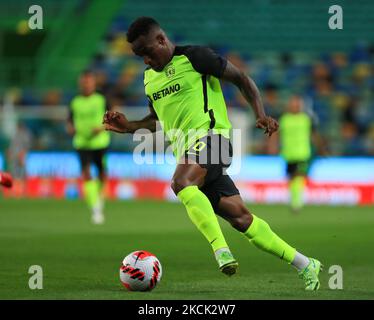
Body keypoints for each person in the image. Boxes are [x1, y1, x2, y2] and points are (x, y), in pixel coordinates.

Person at [103, 17, 322, 290]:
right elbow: (157, 119)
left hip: (214, 140)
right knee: (241, 218)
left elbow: (241, 79)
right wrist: (130, 127)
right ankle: (305, 263)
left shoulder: (196, 57)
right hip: (190, 152)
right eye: (140, 57)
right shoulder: (149, 79)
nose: (146, 60)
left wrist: (261, 114)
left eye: (147, 52)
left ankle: (221, 251)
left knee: (180, 183)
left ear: (161, 40)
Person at [67, 70, 110, 224]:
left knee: (102, 174)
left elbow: (112, 117)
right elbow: (70, 120)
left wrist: (102, 126)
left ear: (93, 83)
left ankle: (99, 198)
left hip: (100, 142)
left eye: (89, 82)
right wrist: (70, 128)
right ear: (80, 83)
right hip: (82, 143)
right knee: (86, 173)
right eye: (84, 82)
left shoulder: (101, 99)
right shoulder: (75, 102)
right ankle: (95, 208)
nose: (86, 85)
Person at [279, 95, 324, 211]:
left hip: (302, 153)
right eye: (293, 104)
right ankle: (294, 200)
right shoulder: (284, 119)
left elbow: (313, 134)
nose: (295, 106)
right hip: (288, 153)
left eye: (297, 104)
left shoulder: (306, 119)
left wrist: (320, 147)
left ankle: (296, 203)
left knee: (299, 176)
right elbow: (276, 135)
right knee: (291, 178)